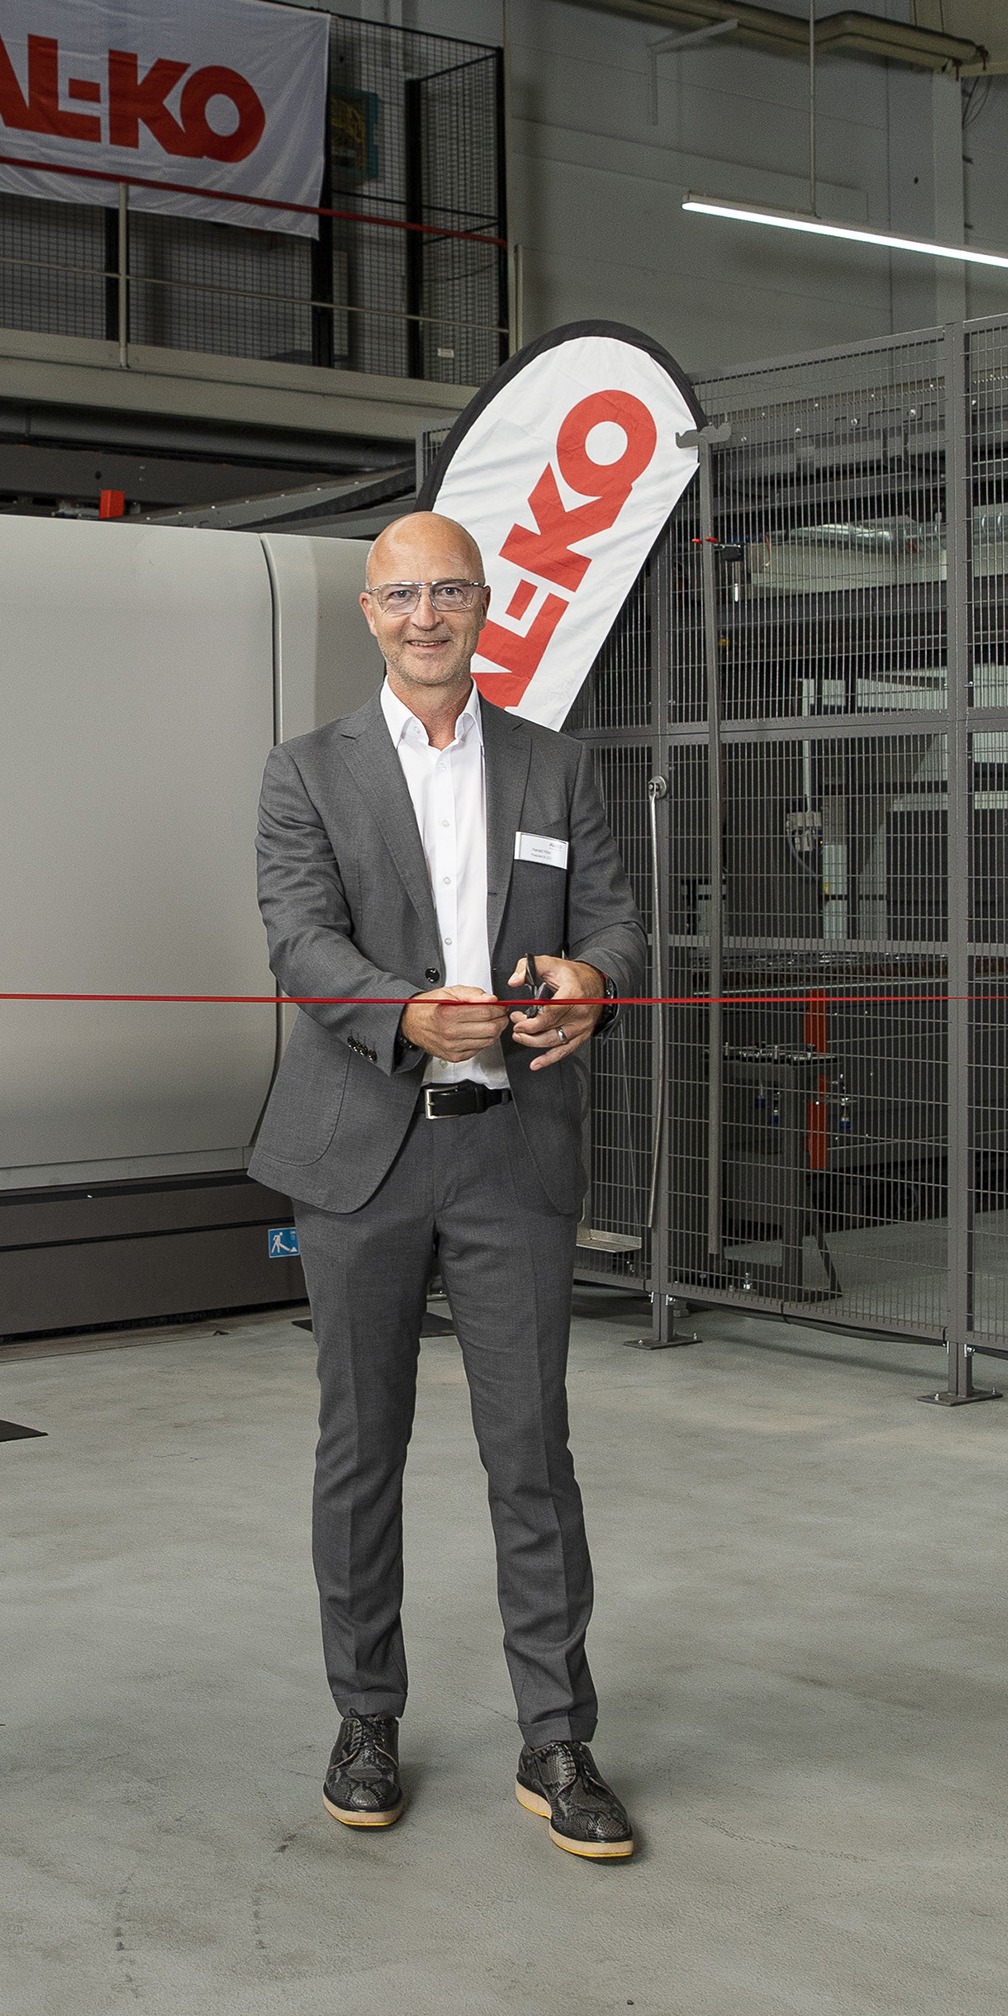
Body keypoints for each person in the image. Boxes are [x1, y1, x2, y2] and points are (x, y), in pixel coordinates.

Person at [249, 511, 650, 1862]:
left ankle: (557, 1737)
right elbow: (298, 937)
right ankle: (366, 1717)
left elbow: (614, 921)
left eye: (451, 591)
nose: (427, 614)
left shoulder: (554, 764)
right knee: (361, 1448)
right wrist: (402, 1014)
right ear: (369, 612)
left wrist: (591, 977)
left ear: (487, 606)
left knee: (530, 1450)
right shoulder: (307, 771)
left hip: (511, 1151)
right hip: (362, 1151)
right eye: (403, 594)